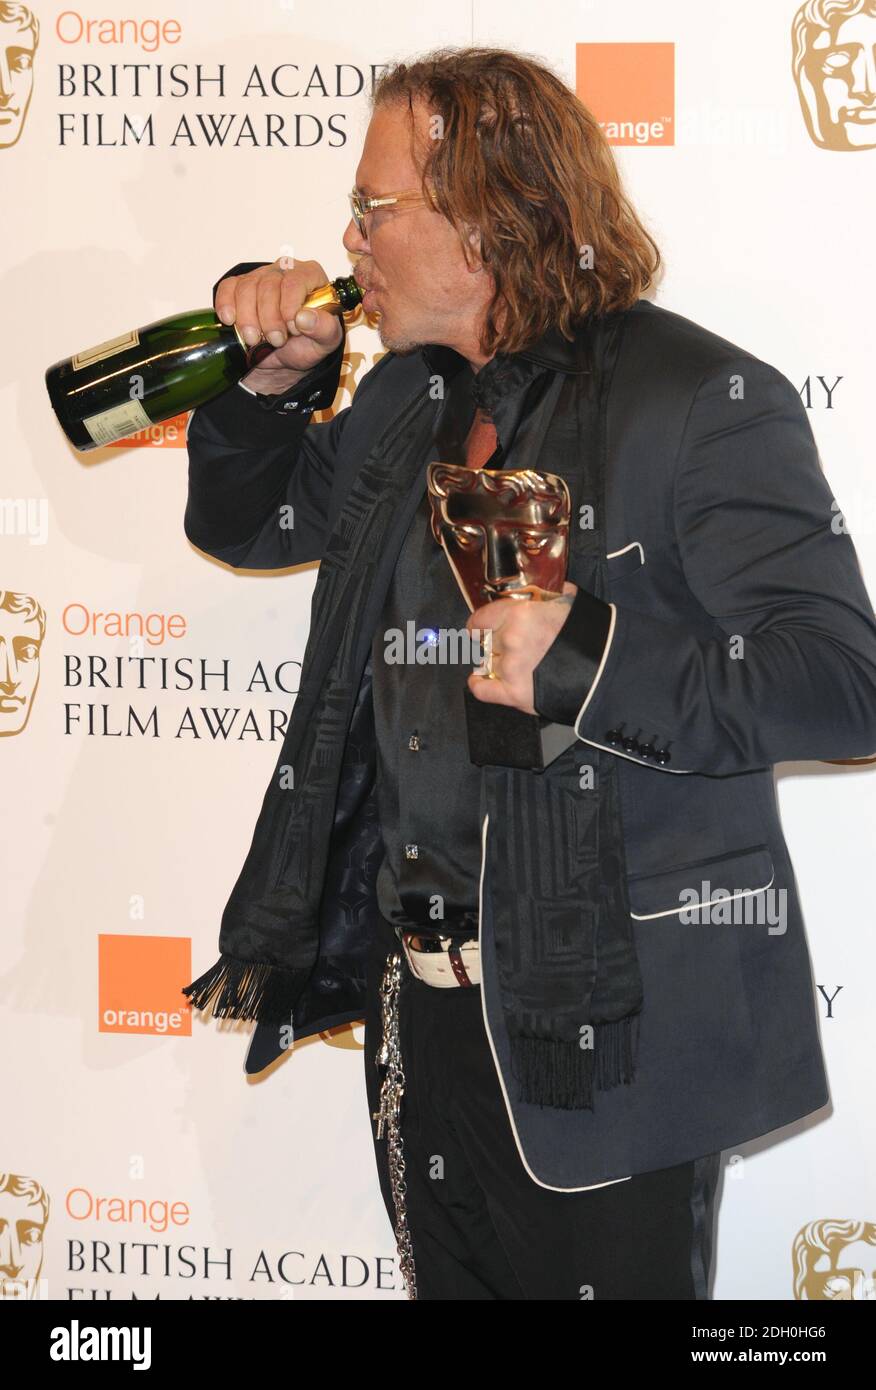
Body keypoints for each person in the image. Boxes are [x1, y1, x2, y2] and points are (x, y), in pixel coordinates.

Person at [181, 47, 876, 1301]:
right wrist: (273, 389)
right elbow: (256, 525)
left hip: (612, 1030)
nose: (350, 239)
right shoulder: (405, 402)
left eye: (374, 206)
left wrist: (592, 655)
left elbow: (838, 680)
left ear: (490, 214)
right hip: (423, 1017)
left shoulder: (698, 398)